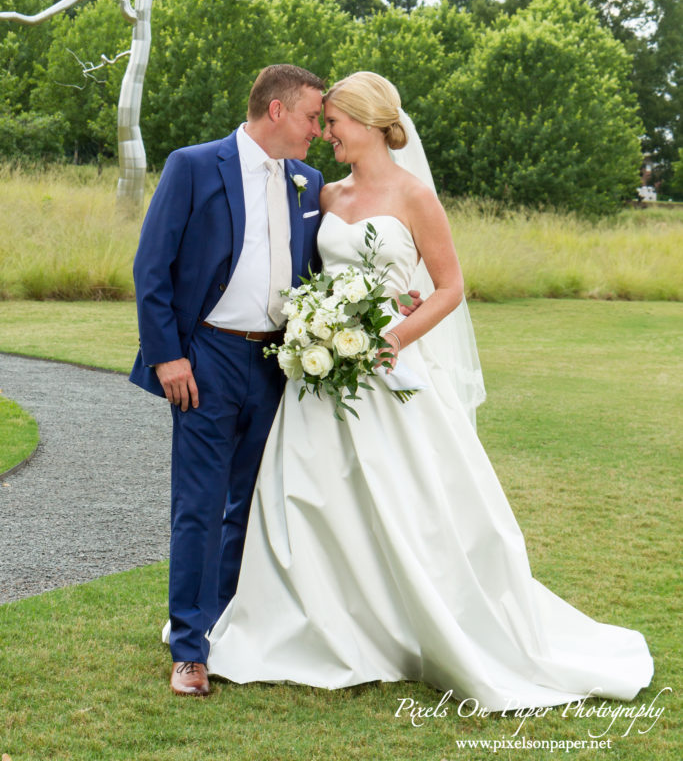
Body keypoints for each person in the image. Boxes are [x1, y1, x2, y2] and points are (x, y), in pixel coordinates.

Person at [206, 71, 653, 710]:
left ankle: (419, 620)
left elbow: (449, 287)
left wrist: (393, 339)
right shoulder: (324, 196)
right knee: (309, 497)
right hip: (321, 376)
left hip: (390, 369)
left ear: (366, 123)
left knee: (409, 498)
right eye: (322, 122)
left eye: (333, 122)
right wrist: (317, 327)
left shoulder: (416, 196)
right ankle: (324, 620)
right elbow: (302, 272)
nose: (325, 133)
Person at [129, 64, 326, 696]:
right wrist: (168, 355)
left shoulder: (308, 182)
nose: (317, 131)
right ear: (275, 111)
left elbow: (315, 271)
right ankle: (189, 650)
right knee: (198, 505)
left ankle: (223, 625)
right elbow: (152, 265)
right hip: (205, 358)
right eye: (311, 117)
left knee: (248, 503)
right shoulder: (193, 165)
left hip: (274, 365)